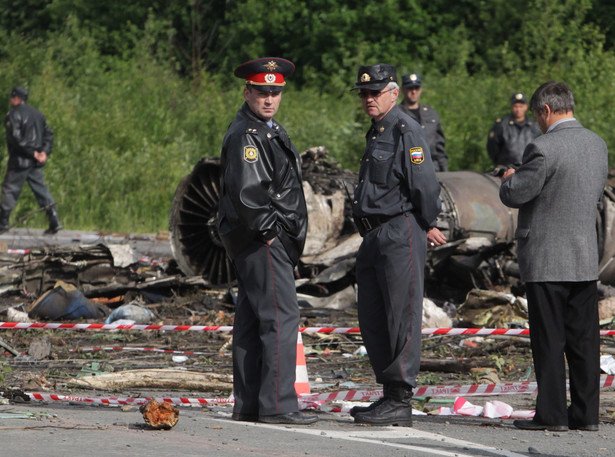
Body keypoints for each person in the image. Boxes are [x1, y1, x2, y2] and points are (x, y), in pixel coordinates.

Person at [499, 81, 607, 432]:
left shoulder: (542, 147)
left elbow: (517, 194)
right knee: (584, 342)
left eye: (537, 116)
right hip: (585, 257)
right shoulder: (597, 144)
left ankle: (552, 415)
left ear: (545, 110)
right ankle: (586, 415)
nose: (537, 123)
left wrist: (509, 177)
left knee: (549, 342)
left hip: (547, 258)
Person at [216, 57, 317, 425]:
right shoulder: (249, 134)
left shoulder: (265, 128)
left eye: (275, 92)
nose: (269, 98)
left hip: (259, 240)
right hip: (262, 240)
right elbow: (249, 195)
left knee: (251, 319)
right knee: (280, 318)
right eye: (262, 92)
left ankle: (250, 403)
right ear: (247, 92)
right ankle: (278, 404)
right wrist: (273, 234)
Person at [349, 64, 446, 426]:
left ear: (393, 92)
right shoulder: (376, 132)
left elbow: (424, 182)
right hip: (373, 233)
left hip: (398, 228)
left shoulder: (406, 129)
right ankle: (389, 394)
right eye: (364, 94)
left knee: (400, 315)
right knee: (373, 316)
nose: (369, 99)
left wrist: (427, 222)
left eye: (375, 92)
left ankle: (400, 398)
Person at [2, 86, 62, 234]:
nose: (10, 100)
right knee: (41, 190)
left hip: (20, 161)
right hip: (35, 163)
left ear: (16, 98)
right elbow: (49, 135)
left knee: (10, 190)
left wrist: (32, 152)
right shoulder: (38, 115)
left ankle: (3, 222)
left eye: (12, 97)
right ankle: (54, 219)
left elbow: (16, 138)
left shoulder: (13, 115)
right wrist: (44, 153)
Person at [398, 73, 448, 171]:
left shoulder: (430, 113)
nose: (413, 91)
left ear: (420, 89)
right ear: (403, 90)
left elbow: (439, 146)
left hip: (433, 167)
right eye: (410, 88)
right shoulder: (396, 114)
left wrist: (445, 170)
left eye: (416, 88)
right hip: (407, 169)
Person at [487, 91, 541, 167]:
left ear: (526, 107)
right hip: (505, 169)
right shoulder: (502, 125)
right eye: (516, 106)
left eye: (521, 106)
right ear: (511, 107)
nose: (518, 109)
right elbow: (492, 148)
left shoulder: (534, 126)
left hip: (528, 169)